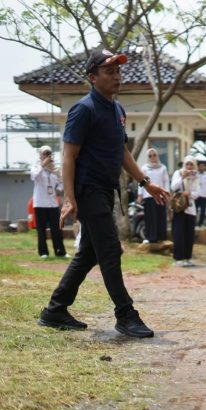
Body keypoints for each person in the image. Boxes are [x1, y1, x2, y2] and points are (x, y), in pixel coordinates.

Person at [37, 49, 170, 338]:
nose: (116, 76)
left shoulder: (117, 110)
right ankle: (126, 314)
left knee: (88, 253)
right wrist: (69, 197)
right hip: (88, 189)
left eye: (118, 70)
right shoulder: (84, 110)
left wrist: (146, 182)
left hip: (106, 191)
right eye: (109, 71)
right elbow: (69, 156)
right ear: (92, 77)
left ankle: (55, 310)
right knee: (110, 249)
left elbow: (122, 152)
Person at [30, 145, 69, 259]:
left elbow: (61, 185)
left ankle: (60, 251)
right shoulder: (36, 166)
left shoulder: (54, 169)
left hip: (52, 203)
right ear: (40, 155)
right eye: (45, 153)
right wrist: (43, 165)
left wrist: (59, 181)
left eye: (49, 153)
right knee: (41, 230)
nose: (47, 155)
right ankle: (43, 252)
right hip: (40, 203)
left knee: (57, 229)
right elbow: (34, 176)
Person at [171, 156, 201, 267]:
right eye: (187, 164)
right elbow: (173, 187)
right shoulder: (178, 173)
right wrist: (182, 177)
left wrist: (190, 194)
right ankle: (178, 258)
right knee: (178, 233)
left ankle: (187, 258)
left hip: (191, 208)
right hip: (179, 207)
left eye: (191, 164)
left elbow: (198, 192)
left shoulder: (196, 176)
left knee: (189, 234)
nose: (189, 166)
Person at [138, 148, 170, 243]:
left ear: (157, 156)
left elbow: (166, 181)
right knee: (150, 217)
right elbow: (142, 182)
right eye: (150, 156)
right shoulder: (145, 168)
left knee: (161, 216)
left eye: (154, 155)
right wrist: (140, 194)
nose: (152, 157)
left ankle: (161, 237)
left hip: (160, 195)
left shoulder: (163, 168)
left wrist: (166, 193)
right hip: (148, 196)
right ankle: (150, 237)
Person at [195, 161, 206, 227]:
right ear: (198, 167)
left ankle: (201, 223)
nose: (201, 167)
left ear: (205, 167)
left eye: (203, 166)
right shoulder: (195, 174)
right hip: (196, 195)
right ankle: (194, 223)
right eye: (200, 166)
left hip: (204, 195)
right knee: (195, 210)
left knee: (203, 210)